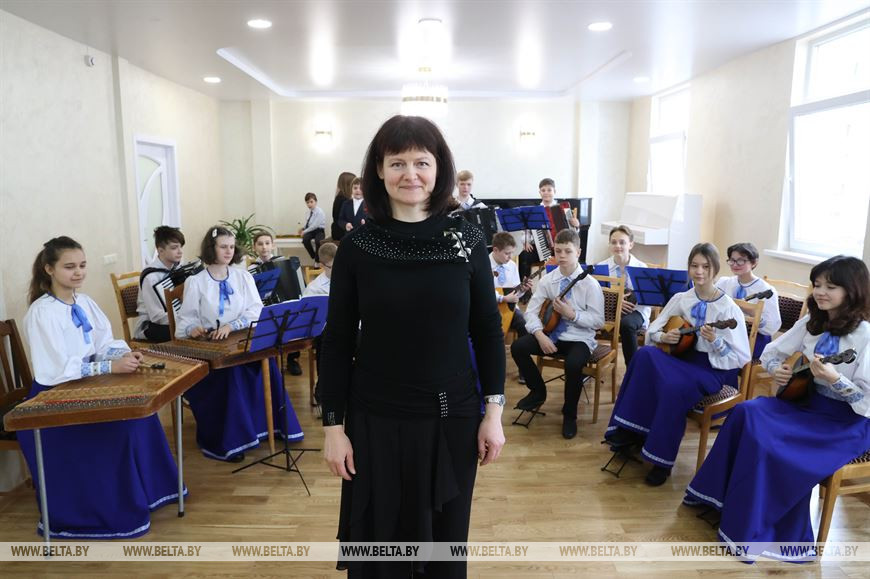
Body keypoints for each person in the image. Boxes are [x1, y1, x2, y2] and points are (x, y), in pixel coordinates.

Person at [319, 115, 506, 578]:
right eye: (397, 162)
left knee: (445, 547)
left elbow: (487, 329)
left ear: (439, 169)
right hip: (374, 418)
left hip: (452, 416)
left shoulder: (467, 240)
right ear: (379, 171)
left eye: (422, 162)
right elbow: (337, 338)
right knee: (380, 546)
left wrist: (494, 413)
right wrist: (333, 427)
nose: (411, 174)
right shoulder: (357, 246)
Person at [684, 255, 869, 561]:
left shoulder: (866, 335)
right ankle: (719, 499)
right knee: (745, 412)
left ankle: (759, 526)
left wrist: (835, 380)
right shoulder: (813, 322)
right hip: (806, 404)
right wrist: (778, 371)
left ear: (852, 290)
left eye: (830, 287)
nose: (820, 292)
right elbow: (771, 353)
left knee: (771, 442)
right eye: (817, 284)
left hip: (845, 423)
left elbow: (866, 402)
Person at [19, 236, 184, 538]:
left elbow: (103, 342)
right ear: (49, 269)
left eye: (82, 265)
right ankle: (108, 511)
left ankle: (150, 494)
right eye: (69, 267)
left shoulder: (84, 302)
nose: (78, 272)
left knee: (142, 417)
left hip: (86, 385)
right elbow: (56, 369)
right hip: (51, 403)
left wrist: (122, 355)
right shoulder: (42, 312)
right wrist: (109, 367)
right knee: (117, 430)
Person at [604, 243, 750, 486]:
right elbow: (653, 329)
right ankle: (629, 431)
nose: (699, 271)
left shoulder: (728, 308)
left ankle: (661, 460)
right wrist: (665, 337)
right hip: (680, 359)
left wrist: (715, 342)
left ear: (715, 269)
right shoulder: (683, 298)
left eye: (705, 266)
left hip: (710, 369)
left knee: (672, 387)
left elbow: (740, 357)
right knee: (643, 355)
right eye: (694, 265)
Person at [175, 226, 304, 462]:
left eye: (231, 247)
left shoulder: (242, 276)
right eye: (223, 247)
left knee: (267, 365)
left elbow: (256, 310)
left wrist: (232, 325)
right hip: (213, 351)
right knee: (231, 375)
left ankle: (269, 428)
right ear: (211, 248)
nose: (228, 251)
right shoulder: (196, 282)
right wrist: (193, 328)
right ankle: (231, 441)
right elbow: (185, 320)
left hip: (241, 340)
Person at [510, 229, 604, 439]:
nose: (562, 256)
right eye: (558, 251)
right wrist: (539, 335)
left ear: (578, 252)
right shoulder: (548, 280)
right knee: (518, 347)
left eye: (567, 251)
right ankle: (538, 391)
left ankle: (569, 415)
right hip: (551, 335)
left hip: (579, 338)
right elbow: (531, 312)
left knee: (573, 364)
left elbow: (598, 321)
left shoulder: (590, 284)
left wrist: (573, 315)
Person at [715, 242, 781, 359]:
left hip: (754, 337)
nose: (735, 264)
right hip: (728, 333)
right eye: (732, 260)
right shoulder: (724, 283)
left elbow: (772, 327)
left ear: (754, 262)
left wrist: (750, 311)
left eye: (741, 261)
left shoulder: (767, 290)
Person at [597, 225, 652, 366]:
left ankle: (632, 370)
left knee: (627, 324)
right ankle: (587, 364)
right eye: (614, 242)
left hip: (636, 310)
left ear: (631, 245)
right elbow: (595, 296)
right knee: (586, 319)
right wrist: (616, 302)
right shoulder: (601, 267)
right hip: (608, 311)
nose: (617, 246)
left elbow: (647, 299)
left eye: (622, 242)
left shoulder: (642, 267)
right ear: (609, 245)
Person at [517, 178, 581, 281]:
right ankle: (525, 286)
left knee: (570, 253)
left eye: (549, 190)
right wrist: (526, 241)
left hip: (561, 248)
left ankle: (569, 281)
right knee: (524, 256)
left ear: (554, 191)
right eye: (543, 190)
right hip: (542, 247)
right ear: (540, 192)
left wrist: (576, 225)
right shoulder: (534, 211)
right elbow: (526, 230)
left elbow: (572, 233)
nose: (546, 193)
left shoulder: (564, 208)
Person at [490, 232, 531, 383]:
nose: (510, 257)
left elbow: (515, 292)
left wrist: (523, 290)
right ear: (495, 250)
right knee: (494, 333)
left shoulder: (512, 265)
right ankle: (495, 372)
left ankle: (524, 371)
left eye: (511, 253)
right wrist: (502, 298)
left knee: (524, 326)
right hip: (491, 308)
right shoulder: (484, 263)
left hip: (510, 309)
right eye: (507, 253)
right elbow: (483, 291)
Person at [134, 225, 186, 342]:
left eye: (180, 247)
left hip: (174, 320)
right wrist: (183, 320)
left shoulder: (177, 269)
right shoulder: (151, 277)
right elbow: (156, 316)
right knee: (185, 332)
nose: (180, 251)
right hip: (151, 325)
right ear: (160, 250)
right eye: (174, 248)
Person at [298, 192, 326, 263]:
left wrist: (304, 232)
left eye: (311, 202)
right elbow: (308, 223)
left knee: (318, 241)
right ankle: (313, 255)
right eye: (307, 202)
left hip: (319, 230)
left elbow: (315, 225)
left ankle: (317, 261)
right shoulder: (308, 212)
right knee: (305, 239)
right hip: (311, 231)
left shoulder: (320, 212)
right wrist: (303, 228)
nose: (309, 204)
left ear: (315, 202)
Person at [331, 172, 356, 242]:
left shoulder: (339, 198)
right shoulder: (344, 200)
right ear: (349, 185)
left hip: (338, 230)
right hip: (341, 232)